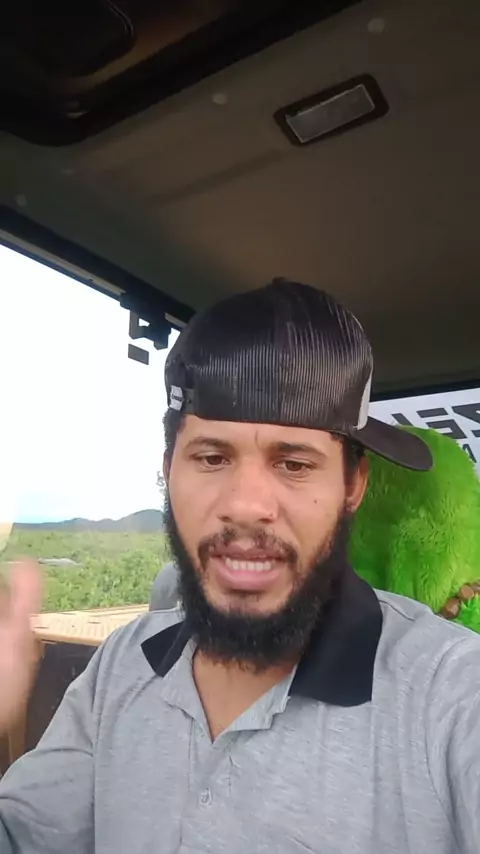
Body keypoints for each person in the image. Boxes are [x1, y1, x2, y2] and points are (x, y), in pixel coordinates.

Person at [0, 279, 479, 854]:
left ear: (353, 485)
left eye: (294, 464)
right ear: (168, 470)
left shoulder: (450, 691)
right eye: (211, 457)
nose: (246, 505)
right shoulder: (124, 663)